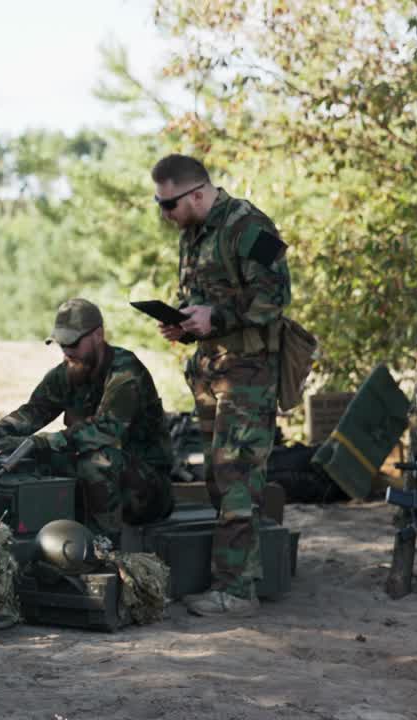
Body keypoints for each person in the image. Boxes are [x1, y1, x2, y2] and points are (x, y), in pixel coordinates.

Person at [151, 153, 291, 618]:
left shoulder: (247, 225)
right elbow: (204, 304)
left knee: (238, 476)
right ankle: (230, 580)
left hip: (248, 374)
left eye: (168, 204)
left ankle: (238, 590)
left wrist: (218, 318)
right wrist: (185, 325)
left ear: (196, 194)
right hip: (212, 370)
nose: (164, 214)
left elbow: (276, 296)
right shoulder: (193, 233)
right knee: (218, 476)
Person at [0, 298, 175, 536]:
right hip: (103, 479)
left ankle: (103, 553)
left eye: (72, 343)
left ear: (98, 336)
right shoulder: (68, 371)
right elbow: (33, 412)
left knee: (96, 461)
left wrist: (39, 442)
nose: (66, 351)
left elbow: (105, 431)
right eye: (61, 344)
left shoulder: (125, 373)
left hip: (148, 489)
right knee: (25, 464)